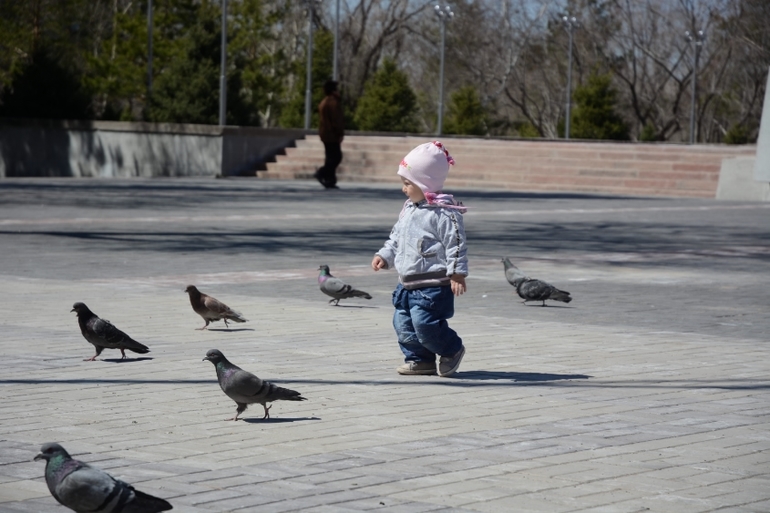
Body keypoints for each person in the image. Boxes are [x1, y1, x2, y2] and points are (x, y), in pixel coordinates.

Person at [371, 141, 468, 377]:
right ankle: (420, 359)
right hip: (407, 284)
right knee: (403, 324)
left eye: (408, 183)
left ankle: (452, 349)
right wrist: (385, 254)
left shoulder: (444, 213)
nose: (404, 188)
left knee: (425, 325)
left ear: (425, 184)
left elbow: (456, 243)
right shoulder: (409, 208)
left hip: (433, 286)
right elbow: (396, 237)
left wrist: (457, 272)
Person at [314, 80, 344, 189]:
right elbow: (336, 120)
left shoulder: (324, 102)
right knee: (336, 157)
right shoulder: (333, 103)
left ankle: (330, 180)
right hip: (332, 134)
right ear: (333, 91)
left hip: (325, 134)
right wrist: (339, 133)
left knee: (330, 157)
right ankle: (322, 173)